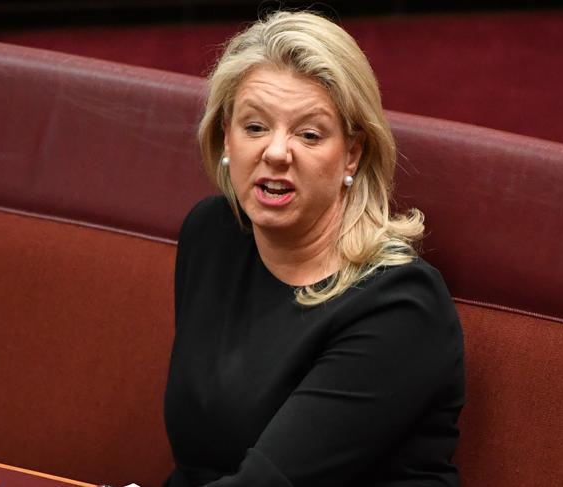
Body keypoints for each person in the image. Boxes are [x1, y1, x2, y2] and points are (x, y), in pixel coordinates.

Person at [163, 10, 465, 487]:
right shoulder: (212, 235)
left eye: (308, 134)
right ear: (226, 135)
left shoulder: (401, 305)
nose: (277, 153)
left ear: (352, 153)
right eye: (255, 126)